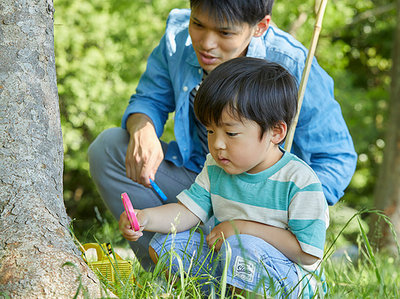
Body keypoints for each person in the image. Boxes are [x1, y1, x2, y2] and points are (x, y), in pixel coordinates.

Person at [88, 0, 356, 270]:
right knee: (109, 148)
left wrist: (279, 210)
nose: (206, 43)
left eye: (225, 33)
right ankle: (172, 274)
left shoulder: (294, 63)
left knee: (249, 249)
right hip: (205, 181)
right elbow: (149, 99)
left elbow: (336, 158)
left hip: (270, 207)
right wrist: (143, 129)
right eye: (198, 24)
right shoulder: (177, 38)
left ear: (260, 26)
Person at [119, 57, 329, 298]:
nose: (217, 144)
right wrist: (145, 218)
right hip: (232, 262)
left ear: (276, 132)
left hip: (288, 283)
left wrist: (242, 229)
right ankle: (205, 294)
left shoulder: (299, 181)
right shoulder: (216, 167)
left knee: (243, 245)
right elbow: (187, 212)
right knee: (167, 244)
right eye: (210, 130)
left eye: (231, 133)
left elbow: (308, 253)